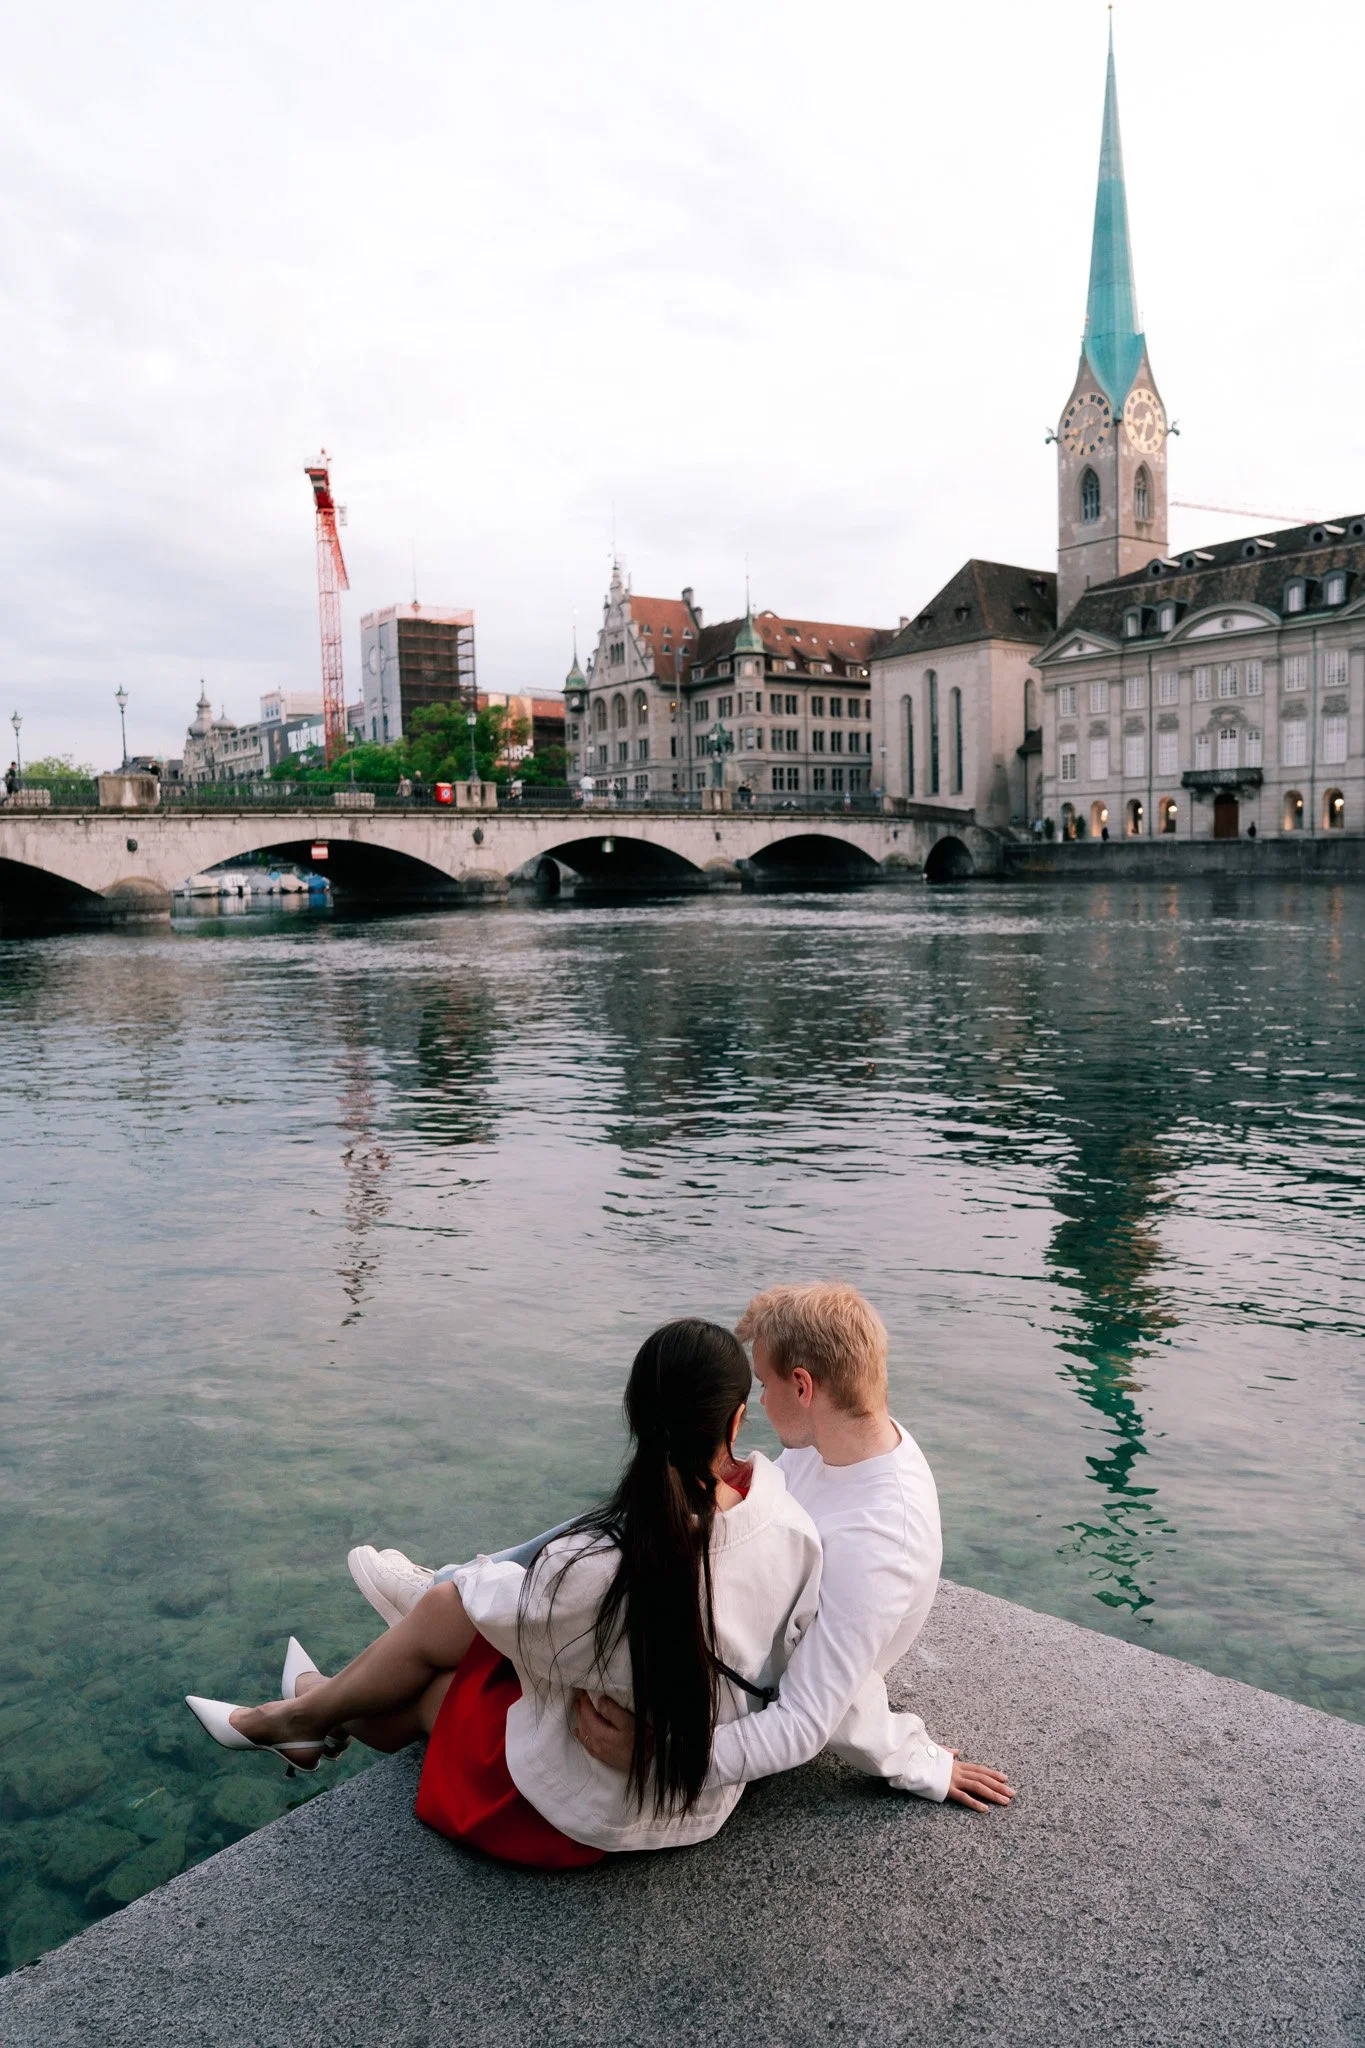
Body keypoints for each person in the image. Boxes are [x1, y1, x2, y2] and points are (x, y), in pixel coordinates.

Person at [353, 1284, 1013, 1815]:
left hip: (733, 1697)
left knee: (460, 1685)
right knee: (644, 1506)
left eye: (763, 1383)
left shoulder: (877, 1541)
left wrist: (664, 1757)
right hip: (743, 1625)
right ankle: (444, 1599)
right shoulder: (845, 1447)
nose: (752, 1401)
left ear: (804, 1386)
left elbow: (811, 1717)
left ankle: (366, 1668)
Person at [185, 1320, 823, 1866]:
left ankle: (303, 1713)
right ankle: (307, 1709)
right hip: (707, 1793)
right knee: (481, 1630)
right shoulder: (793, 1530)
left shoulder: (605, 1566)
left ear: (635, 1416)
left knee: (446, 1651)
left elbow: (491, 1610)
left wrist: (471, 1575)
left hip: (596, 1809)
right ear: (736, 1420)